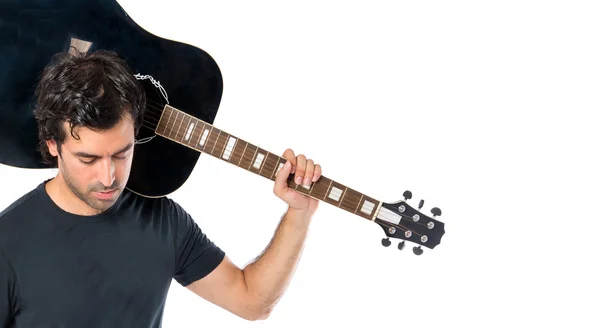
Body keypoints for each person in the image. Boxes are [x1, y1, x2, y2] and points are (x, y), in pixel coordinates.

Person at [0, 49, 322, 327]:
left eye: (122, 153)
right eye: (89, 159)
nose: (109, 176)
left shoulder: (162, 220)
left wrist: (299, 212)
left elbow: (252, 301)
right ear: (53, 145)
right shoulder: (8, 243)